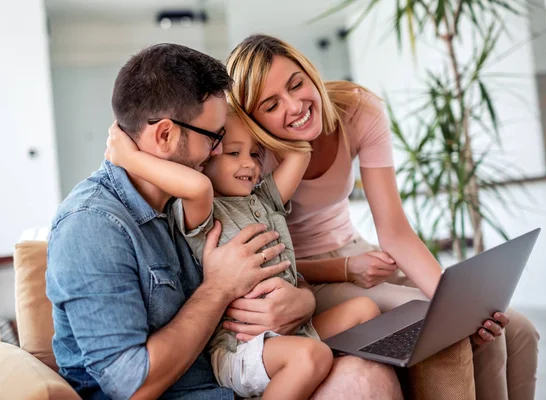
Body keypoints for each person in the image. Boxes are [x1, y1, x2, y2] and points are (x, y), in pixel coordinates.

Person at [46, 43, 401, 400]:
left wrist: (301, 302)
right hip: (206, 385)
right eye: (215, 138)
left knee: (369, 374)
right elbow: (132, 386)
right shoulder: (93, 226)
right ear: (166, 135)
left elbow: (272, 272)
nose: (219, 152)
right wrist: (219, 288)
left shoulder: (198, 203)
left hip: (242, 376)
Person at [225, 34, 540, 400]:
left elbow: (394, 229)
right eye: (271, 104)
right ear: (253, 118)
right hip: (305, 276)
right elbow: (266, 263)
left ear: (310, 73)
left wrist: (453, 301)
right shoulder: (249, 154)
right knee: (439, 324)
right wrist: (345, 268)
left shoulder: (357, 111)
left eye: (297, 84)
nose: (295, 105)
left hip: (358, 251)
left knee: (515, 330)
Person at [105, 107, 383, 400]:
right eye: (234, 153)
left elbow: (300, 152)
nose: (249, 164)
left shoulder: (264, 200)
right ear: (207, 157)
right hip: (240, 347)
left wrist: (258, 122)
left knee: (365, 310)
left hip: (292, 330)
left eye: (255, 154)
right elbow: (198, 186)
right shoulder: (202, 210)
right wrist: (130, 158)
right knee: (310, 356)